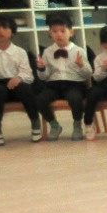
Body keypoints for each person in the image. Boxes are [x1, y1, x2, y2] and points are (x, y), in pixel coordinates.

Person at [0, 13, 45, 146]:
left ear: (12, 32)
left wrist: (19, 78)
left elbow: (29, 75)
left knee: (25, 88)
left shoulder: (20, 52)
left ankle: (35, 122)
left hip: (16, 84)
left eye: (5, 27)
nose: (0, 31)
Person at [35, 12, 92, 141]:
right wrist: (42, 68)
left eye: (62, 31)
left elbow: (88, 74)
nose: (59, 34)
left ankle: (77, 125)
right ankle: (54, 125)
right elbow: (43, 77)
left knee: (75, 98)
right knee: (40, 99)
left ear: (71, 32)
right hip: (53, 85)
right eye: (55, 31)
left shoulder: (79, 51)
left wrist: (81, 65)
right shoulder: (47, 52)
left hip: (74, 84)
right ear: (50, 33)